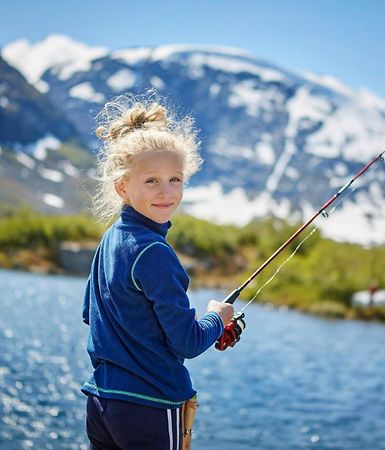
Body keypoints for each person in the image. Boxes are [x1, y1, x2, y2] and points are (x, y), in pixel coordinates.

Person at [81, 92, 234, 450]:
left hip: (103, 401)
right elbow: (187, 342)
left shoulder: (110, 240)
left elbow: (91, 315)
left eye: (175, 180)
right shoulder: (155, 252)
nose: (166, 192)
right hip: (149, 406)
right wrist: (217, 318)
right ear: (122, 187)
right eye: (151, 181)